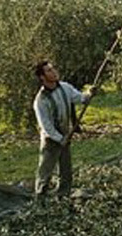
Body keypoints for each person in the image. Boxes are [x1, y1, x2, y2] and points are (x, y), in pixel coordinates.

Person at [33, 59, 92, 201]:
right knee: (45, 172)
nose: (53, 72)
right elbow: (46, 126)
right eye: (49, 71)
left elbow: (79, 98)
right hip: (51, 140)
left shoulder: (65, 88)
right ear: (42, 77)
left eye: (53, 69)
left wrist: (89, 94)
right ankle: (40, 199)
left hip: (65, 136)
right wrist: (60, 139)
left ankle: (62, 198)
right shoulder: (40, 101)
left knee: (66, 172)